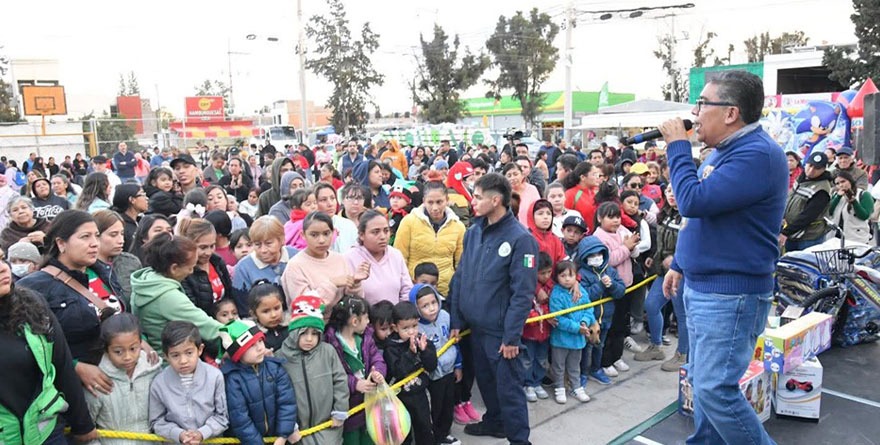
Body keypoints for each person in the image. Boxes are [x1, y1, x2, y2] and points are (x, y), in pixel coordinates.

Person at [658, 70, 787, 445]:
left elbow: (692, 201)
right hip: (705, 288)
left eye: (703, 104)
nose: (695, 113)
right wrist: (681, 262)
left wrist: (677, 147)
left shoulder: (757, 155)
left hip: (729, 295)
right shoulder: (727, 153)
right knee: (701, 382)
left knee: (715, 389)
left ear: (730, 113)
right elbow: (703, 217)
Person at [449, 173, 536, 443]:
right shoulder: (473, 233)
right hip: (475, 329)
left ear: (495, 200)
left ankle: (519, 440)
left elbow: (523, 294)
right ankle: (495, 422)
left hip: (500, 334)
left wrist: (511, 337)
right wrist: (456, 319)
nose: (472, 201)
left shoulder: (521, 239)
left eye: (477, 197)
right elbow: (461, 277)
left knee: (509, 391)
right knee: (486, 385)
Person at [0, 258, 98, 444]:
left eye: (1, 258)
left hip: (46, 433)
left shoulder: (31, 304)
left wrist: (82, 424)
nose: (3, 268)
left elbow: (61, 364)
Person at [129, 233, 224, 352]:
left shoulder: (146, 281)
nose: (191, 272)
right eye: (190, 268)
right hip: (170, 361)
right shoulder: (167, 297)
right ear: (174, 268)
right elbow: (208, 327)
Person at [278, 293, 350, 445]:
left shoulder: (328, 351)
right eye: (303, 333)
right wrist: (288, 425)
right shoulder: (280, 357)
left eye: (314, 333)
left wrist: (340, 410)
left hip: (329, 428)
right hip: (298, 433)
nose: (309, 339)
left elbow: (340, 381)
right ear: (293, 332)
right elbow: (277, 395)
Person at [220, 319, 301, 445]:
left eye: (260, 341)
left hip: (278, 439)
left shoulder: (275, 368)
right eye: (251, 345)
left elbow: (287, 403)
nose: (260, 348)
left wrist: (283, 435)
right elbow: (240, 418)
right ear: (237, 353)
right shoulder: (232, 379)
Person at [85, 313, 161, 445]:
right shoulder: (97, 379)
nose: (127, 357)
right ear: (107, 349)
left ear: (141, 343)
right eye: (118, 351)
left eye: (133, 349)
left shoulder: (153, 370)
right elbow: (86, 428)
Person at [149, 321, 229, 443]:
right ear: (166, 356)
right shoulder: (159, 383)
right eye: (175, 355)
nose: (183, 361)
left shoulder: (214, 376)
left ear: (200, 350)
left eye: (189, 353)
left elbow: (222, 417)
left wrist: (203, 433)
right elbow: (156, 421)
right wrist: (178, 434)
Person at [324, 295, 387, 445]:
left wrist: (377, 372)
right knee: (351, 439)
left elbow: (377, 358)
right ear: (354, 321)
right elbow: (331, 375)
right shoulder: (331, 344)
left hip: (369, 404)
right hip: (348, 408)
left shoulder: (366, 338)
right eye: (366, 318)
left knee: (370, 438)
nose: (368, 322)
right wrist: (354, 384)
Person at [638, 185, 689, 372]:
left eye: (676, 191)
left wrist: (677, 261)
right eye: (668, 190)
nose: (672, 194)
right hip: (663, 271)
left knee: (681, 314)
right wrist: (655, 255)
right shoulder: (665, 213)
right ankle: (656, 346)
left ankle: (682, 354)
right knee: (651, 305)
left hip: (682, 273)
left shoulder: (690, 215)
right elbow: (661, 240)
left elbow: (693, 244)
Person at [282, 212, 368, 310]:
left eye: (326, 234)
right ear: (303, 235)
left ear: (334, 232)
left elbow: (352, 300)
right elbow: (304, 306)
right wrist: (331, 284)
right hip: (313, 324)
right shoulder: (295, 266)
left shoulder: (340, 259)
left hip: (340, 322)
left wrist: (355, 284)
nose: (321, 240)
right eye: (314, 235)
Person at [410, 284, 462, 445]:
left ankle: (444, 433)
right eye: (425, 306)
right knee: (436, 408)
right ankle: (436, 436)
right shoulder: (417, 328)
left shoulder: (445, 316)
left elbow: (453, 342)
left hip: (449, 371)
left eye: (434, 302)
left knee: (448, 405)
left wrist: (458, 365)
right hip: (433, 376)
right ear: (416, 308)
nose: (432, 308)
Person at [394, 181, 465, 296]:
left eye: (439, 202)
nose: (435, 207)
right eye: (430, 202)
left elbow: (461, 264)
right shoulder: (409, 222)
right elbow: (400, 259)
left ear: (447, 200)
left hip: (446, 291)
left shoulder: (458, 226)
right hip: (415, 290)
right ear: (423, 201)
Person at [383, 301, 438, 445]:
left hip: (420, 393)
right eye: (405, 328)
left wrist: (425, 351)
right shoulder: (391, 347)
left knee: (425, 428)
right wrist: (410, 354)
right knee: (403, 432)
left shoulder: (421, 340)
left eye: (414, 326)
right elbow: (397, 371)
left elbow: (432, 366)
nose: (411, 331)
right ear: (395, 327)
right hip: (400, 398)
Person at [549, 260, 597, 404]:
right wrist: (577, 328)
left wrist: (585, 322)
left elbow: (589, 308)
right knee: (558, 365)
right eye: (563, 276)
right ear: (557, 277)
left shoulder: (581, 290)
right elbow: (558, 318)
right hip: (561, 339)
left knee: (574, 365)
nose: (567, 279)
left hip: (578, 339)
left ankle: (576, 387)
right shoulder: (556, 294)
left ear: (576, 276)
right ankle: (559, 387)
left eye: (571, 275)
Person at [345, 210, 413, 306]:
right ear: (361, 235)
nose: (383, 237)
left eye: (386, 231)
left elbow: (407, 290)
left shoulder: (396, 255)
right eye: (375, 232)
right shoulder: (349, 258)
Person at [233, 217, 298, 314]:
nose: (263, 250)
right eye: (257, 244)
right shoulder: (243, 268)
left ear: (281, 240)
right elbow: (244, 309)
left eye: (268, 243)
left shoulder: (296, 257)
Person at [178, 218, 233, 317]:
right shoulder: (184, 273)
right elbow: (192, 311)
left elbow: (230, 294)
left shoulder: (217, 262)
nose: (208, 253)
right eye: (202, 247)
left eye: (212, 246)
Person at [781, 151, 832, 251]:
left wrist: (786, 232)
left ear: (823, 169)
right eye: (810, 165)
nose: (811, 170)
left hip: (808, 237)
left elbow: (808, 216)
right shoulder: (802, 177)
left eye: (817, 168)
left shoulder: (822, 189)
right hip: (792, 233)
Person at [92, 210, 142, 310]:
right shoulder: (84, 266)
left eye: (122, 234)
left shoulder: (131, 262)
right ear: (96, 236)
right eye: (113, 235)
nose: (121, 240)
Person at [521, 252, 553, 403]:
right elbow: (524, 310)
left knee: (541, 359)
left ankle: (537, 382)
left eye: (548, 272)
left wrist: (551, 316)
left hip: (545, 332)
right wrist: (536, 317)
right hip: (529, 333)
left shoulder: (550, 287)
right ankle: (527, 384)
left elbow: (552, 305)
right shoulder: (527, 289)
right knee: (527, 359)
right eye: (542, 273)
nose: (546, 276)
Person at [830, 170, 874, 244]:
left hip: (857, 238)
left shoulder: (863, 194)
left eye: (843, 181)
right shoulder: (836, 195)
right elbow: (829, 211)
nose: (841, 185)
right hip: (837, 238)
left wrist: (854, 202)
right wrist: (837, 197)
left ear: (850, 181)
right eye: (837, 183)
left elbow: (864, 216)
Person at [247, 282, 289, 353]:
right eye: (266, 311)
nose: (273, 315)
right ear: (254, 314)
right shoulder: (252, 337)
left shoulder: (293, 327)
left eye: (276, 308)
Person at [563, 162, 602, 232]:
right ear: (583, 177)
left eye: (597, 174)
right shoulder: (570, 194)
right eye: (594, 174)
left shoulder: (597, 192)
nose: (597, 177)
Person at [111, 184, 147, 252]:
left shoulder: (140, 221)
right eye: (142, 195)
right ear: (132, 199)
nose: (146, 198)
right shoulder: (120, 224)